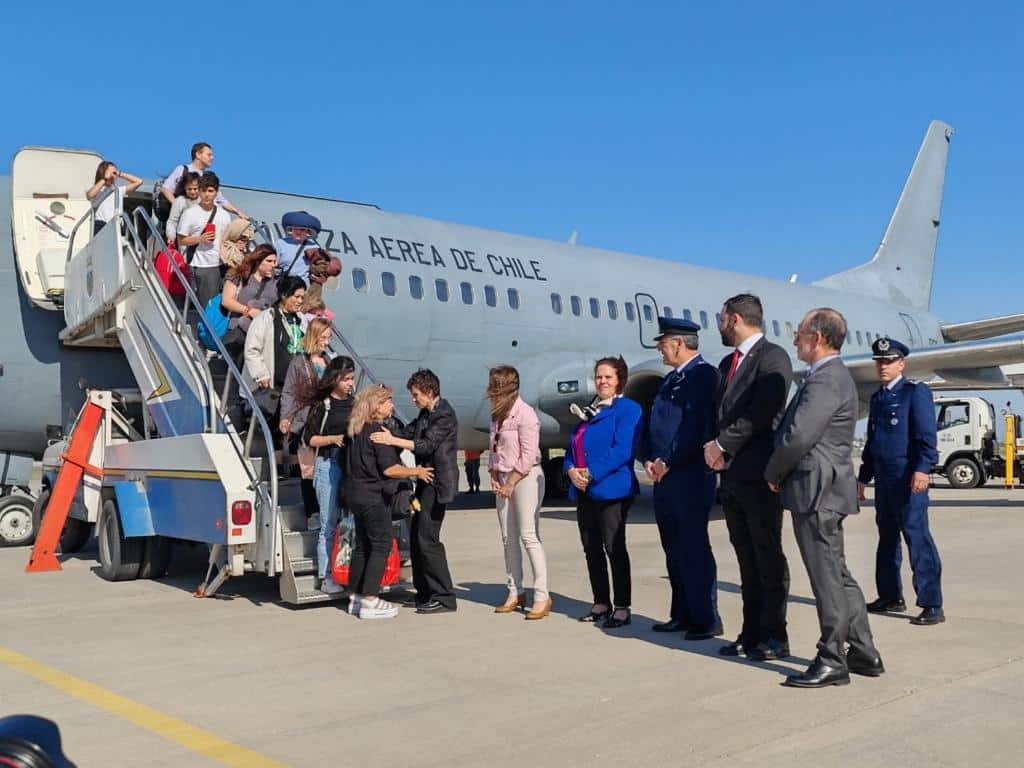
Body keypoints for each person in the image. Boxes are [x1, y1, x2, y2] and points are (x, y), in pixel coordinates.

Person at [765, 308, 884, 688]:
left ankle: (832, 658)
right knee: (838, 573)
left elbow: (799, 435)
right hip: (823, 488)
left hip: (815, 490)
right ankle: (863, 650)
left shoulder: (826, 379)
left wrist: (773, 471)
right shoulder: (827, 376)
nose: (795, 338)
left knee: (826, 578)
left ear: (816, 337)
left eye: (798, 332)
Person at [705, 294, 793, 661]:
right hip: (733, 477)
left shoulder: (773, 359)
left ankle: (776, 635)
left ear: (736, 319)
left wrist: (722, 444)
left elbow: (763, 411)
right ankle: (751, 632)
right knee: (745, 558)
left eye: (722, 319)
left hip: (760, 473)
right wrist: (713, 447)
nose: (720, 325)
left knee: (767, 556)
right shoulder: (728, 363)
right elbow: (720, 412)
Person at [642, 318, 723, 640]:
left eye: (662, 342)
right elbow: (654, 425)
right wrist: (648, 458)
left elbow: (697, 428)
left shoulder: (704, 377)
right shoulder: (671, 380)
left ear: (678, 343)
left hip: (689, 476)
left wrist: (669, 461)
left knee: (693, 548)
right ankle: (681, 614)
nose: (659, 348)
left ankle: (706, 618)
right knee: (673, 549)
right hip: (665, 478)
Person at [858, 337, 944, 626]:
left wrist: (922, 469)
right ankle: (890, 596)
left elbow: (926, 438)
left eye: (889, 361)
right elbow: (873, 443)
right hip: (884, 482)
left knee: (917, 539)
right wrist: (862, 478)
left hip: (908, 481)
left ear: (901, 364)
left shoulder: (914, 393)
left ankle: (932, 603)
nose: (883, 366)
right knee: (887, 540)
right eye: (879, 362)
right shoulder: (878, 398)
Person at [371, 369, 459, 614]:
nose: (413, 399)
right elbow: (409, 432)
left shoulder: (444, 415)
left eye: (416, 394)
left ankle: (444, 596)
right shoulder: (425, 413)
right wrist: (388, 428)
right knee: (417, 538)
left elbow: (426, 444)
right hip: (424, 480)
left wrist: (391, 441)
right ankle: (424, 592)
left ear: (429, 392)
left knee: (428, 538)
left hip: (437, 482)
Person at [563, 356, 642, 629]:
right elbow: (572, 448)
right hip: (585, 490)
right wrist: (571, 469)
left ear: (619, 380)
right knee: (591, 548)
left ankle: (622, 606)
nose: (602, 381)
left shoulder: (628, 410)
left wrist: (590, 472)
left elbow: (622, 450)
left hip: (612, 490)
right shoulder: (590, 410)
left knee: (614, 548)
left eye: (608, 377)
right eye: (598, 377)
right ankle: (600, 603)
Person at [346, 384, 434, 620]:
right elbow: (390, 469)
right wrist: (417, 471)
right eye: (388, 401)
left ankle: (356, 596)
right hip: (374, 497)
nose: (392, 405)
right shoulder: (379, 434)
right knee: (382, 544)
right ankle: (371, 599)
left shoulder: (357, 431)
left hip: (356, 495)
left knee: (363, 546)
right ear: (377, 406)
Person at [488, 366, 550, 620]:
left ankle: (542, 595)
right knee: (507, 538)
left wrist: (511, 481)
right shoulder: (497, 416)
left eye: (496, 387)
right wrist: (493, 474)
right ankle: (515, 591)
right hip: (503, 478)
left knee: (528, 535)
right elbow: (494, 448)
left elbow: (528, 454)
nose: (492, 392)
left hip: (525, 477)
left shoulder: (526, 414)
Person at [302, 356, 356, 595]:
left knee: (348, 522)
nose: (350, 383)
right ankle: (326, 575)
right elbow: (309, 439)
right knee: (328, 523)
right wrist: (333, 439)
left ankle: (345, 570)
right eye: (346, 379)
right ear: (334, 379)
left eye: (352, 379)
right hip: (328, 463)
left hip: (351, 465)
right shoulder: (322, 406)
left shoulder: (355, 403)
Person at [243, 276, 308, 447]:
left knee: (291, 431)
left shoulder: (302, 320)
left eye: (302, 297)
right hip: (273, 386)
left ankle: (285, 465)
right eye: (297, 296)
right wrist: (261, 374)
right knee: (273, 427)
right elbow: (252, 349)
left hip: (295, 387)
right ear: (285, 295)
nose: (300, 301)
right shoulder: (266, 318)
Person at [281, 317, 332, 518]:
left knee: (325, 469)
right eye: (324, 337)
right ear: (314, 336)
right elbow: (289, 392)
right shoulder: (299, 362)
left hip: (327, 421)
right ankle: (313, 512)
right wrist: (286, 417)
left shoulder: (329, 361)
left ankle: (326, 510)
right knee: (308, 470)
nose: (327, 342)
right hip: (306, 421)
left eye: (328, 338)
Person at [175, 172, 233, 307]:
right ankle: (207, 327)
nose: (207, 194)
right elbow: (181, 240)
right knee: (209, 306)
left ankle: (215, 328)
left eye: (210, 191)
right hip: (202, 265)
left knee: (223, 305)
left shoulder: (224, 215)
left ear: (216, 192)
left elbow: (227, 239)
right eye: (203, 190)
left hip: (223, 264)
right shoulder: (190, 213)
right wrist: (199, 239)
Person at [219, 244, 279, 363]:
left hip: (261, 333)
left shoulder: (275, 282)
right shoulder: (238, 275)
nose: (273, 265)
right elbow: (227, 301)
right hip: (238, 328)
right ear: (258, 261)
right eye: (269, 261)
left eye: (275, 261)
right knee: (234, 365)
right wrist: (249, 311)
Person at [159, 142, 248, 220]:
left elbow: (220, 200)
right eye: (209, 155)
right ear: (198, 155)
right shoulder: (183, 170)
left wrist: (238, 212)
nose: (212, 158)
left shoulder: (208, 177)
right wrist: (179, 208)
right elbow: (166, 189)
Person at [86, 160, 142, 234]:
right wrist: (105, 178)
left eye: (114, 173)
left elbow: (139, 181)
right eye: (110, 172)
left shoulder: (118, 190)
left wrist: (119, 173)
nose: (113, 175)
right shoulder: (95, 188)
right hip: (101, 224)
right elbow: (90, 195)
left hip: (117, 224)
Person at [277, 211, 322, 285]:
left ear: (308, 231)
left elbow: (319, 268)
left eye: (302, 229)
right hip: (281, 286)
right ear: (291, 229)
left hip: (301, 290)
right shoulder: (280, 243)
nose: (298, 232)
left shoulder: (314, 247)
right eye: (296, 228)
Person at [165, 171, 201, 243]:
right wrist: (171, 236)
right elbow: (172, 221)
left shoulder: (203, 200)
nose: (192, 192)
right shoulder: (180, 201)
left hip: (200, 239)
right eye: (189, 189)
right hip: (183, 239)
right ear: (185, 188)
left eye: (195, 189)